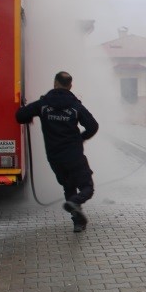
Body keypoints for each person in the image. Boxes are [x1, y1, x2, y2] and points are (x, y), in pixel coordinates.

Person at [16, 71, 99, 233]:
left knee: (69, 186)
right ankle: (75, 203)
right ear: (70, 86)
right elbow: (93, 126)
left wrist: (29, 116)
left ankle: (77, 222)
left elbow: (20, 116)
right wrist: (81, 138)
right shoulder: (75, 106)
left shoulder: (43, 105)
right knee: (87, 187)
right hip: (74, 155)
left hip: (54, 157)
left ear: (55, 83)